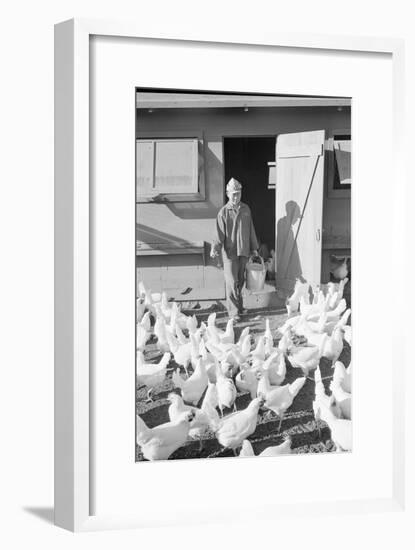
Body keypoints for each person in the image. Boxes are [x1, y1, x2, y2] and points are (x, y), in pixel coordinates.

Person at [210, 178, 259, 321]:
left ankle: (240, 307)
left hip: (243, 250)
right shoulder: (223, 213)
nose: (236, 196)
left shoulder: (246, 209)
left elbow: (251, 229)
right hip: (230, 253)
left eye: (238, 193)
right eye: (233, 194)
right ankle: (233, 313)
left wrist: (254, 248)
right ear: (227, 194)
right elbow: (219, 234)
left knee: (241, 281)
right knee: (232, 282)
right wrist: (215, 248)